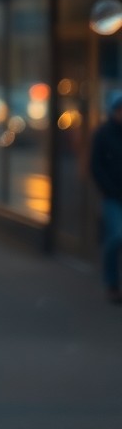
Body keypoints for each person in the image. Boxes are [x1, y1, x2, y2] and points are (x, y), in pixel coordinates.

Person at [90, 90, 122, 304]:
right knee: (117, 236)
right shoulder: (103, 134)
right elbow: (96, 166)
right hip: (113, 195)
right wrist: (107, 188)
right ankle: (111, 283)